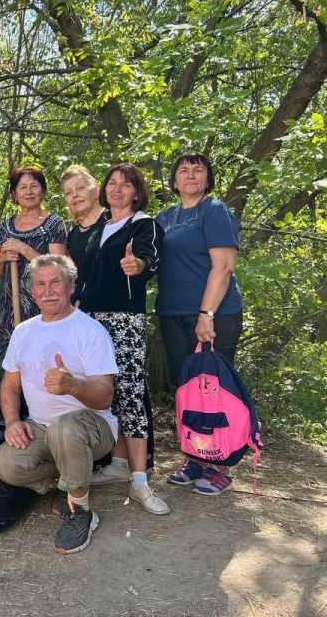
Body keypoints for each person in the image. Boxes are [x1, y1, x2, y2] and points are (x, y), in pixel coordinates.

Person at [0, 255, 118, 554]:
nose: (48, 291)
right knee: (8, 466)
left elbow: (105, 395)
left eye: (56, 283)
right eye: (40, 284)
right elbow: (10, 385)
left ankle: (80, 510)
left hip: (92, 427)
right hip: (41, 428)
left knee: (65, 428)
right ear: (32, 291)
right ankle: (67, 478)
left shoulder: (89, 331)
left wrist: (72, 385)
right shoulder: (23, 331)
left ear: (71, 286)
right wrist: (12, 422)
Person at [77, 164, 169, 515]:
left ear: (136, 192)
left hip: (124, 318)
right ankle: (116, 464)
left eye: (125, 185)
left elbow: (149, 258)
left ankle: (141, 481)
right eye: (112, 183)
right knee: (103, 391)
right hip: (91, 320)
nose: (117, 189)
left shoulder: (144, 224)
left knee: (130, 393)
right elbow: (86, 274)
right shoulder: (99, 227)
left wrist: (138, 266)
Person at [156, 152, 244, 496]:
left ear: (207, 178)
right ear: (174, 180)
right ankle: (195, 457)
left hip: (213, 315)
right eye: (183, 170)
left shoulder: (215, 211)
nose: (190, 175)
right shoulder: (166, 217)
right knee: (188, 390)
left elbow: (223, 266)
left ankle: (220, 465)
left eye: (198, 170)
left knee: (215, 391)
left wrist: (206, 314)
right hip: (172, 314)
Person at [0, 166, 68, 345]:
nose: (28, 192)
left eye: (34, 186)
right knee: (13, 365)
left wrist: (23, 249)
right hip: (8, 309)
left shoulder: (54, 223)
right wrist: (2, 258)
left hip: (43, 304)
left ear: (43, 191)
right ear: (14, 194)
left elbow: (60, 268)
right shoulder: (5, 226)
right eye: (22, 187)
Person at [60, 165, 107, 304]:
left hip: (115, 309)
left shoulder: (113, 221)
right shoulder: (72, 235)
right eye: (68, 193)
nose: (75, 195)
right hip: (82, 311)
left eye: (80, 188)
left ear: (97, 191)